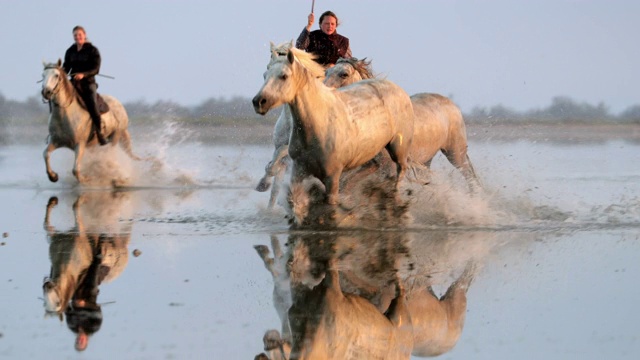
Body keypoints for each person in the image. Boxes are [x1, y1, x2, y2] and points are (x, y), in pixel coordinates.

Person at [62, 25, 107, 145]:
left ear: (84, 35)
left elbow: (96, 68)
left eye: (79, 34)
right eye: (75, 35)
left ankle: (100, 133)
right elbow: (66, 67)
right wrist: (60, 74)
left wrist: (83, 74)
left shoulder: (93, 50)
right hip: (74, 83)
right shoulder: (70, 51)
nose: (77, 37)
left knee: (92, 105)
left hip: (88, 83)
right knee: (59, 101)